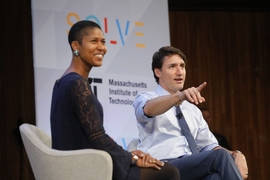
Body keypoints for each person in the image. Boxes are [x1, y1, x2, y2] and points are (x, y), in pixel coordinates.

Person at [50, 20, 180, 180]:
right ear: (76, 46)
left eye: (103, 42)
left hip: (81, 163)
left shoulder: (64, 82)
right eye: (94, 41)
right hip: (85, 169)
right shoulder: (77, 84)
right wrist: (131, 158)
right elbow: (97, 138)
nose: (101, 47)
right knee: (169, 172)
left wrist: (127, 154)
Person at [133, 46, 248, 180]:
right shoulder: (146, 98)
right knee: (220, 156)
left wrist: (235, 154)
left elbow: (209, 146)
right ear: (158, 72)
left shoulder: (192, 110)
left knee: (216, 176)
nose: (179, 72)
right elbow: (148, 109)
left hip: (191, 168)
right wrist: (178, 97)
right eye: (172, 67)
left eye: (182, 66)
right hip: (162, 167)